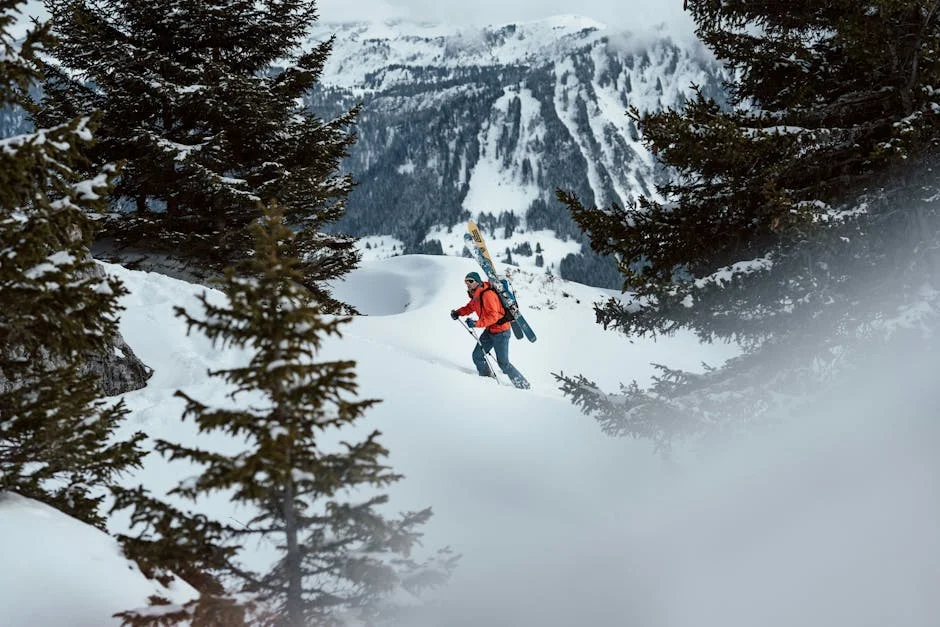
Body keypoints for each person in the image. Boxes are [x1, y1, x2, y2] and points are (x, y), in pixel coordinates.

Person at [450, 271, 529, 389]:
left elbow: (493, 317)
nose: (468, 284)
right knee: (477, 356)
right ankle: (487, 381)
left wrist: (477, 323)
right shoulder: (476, 295)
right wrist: (458, 312)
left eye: (470, 281)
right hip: (489, 331)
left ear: (478, 281)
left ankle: (523, 385)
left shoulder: (487, 295)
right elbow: (469, 307)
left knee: (504, 364)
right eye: (466, 282)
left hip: (501, 332)